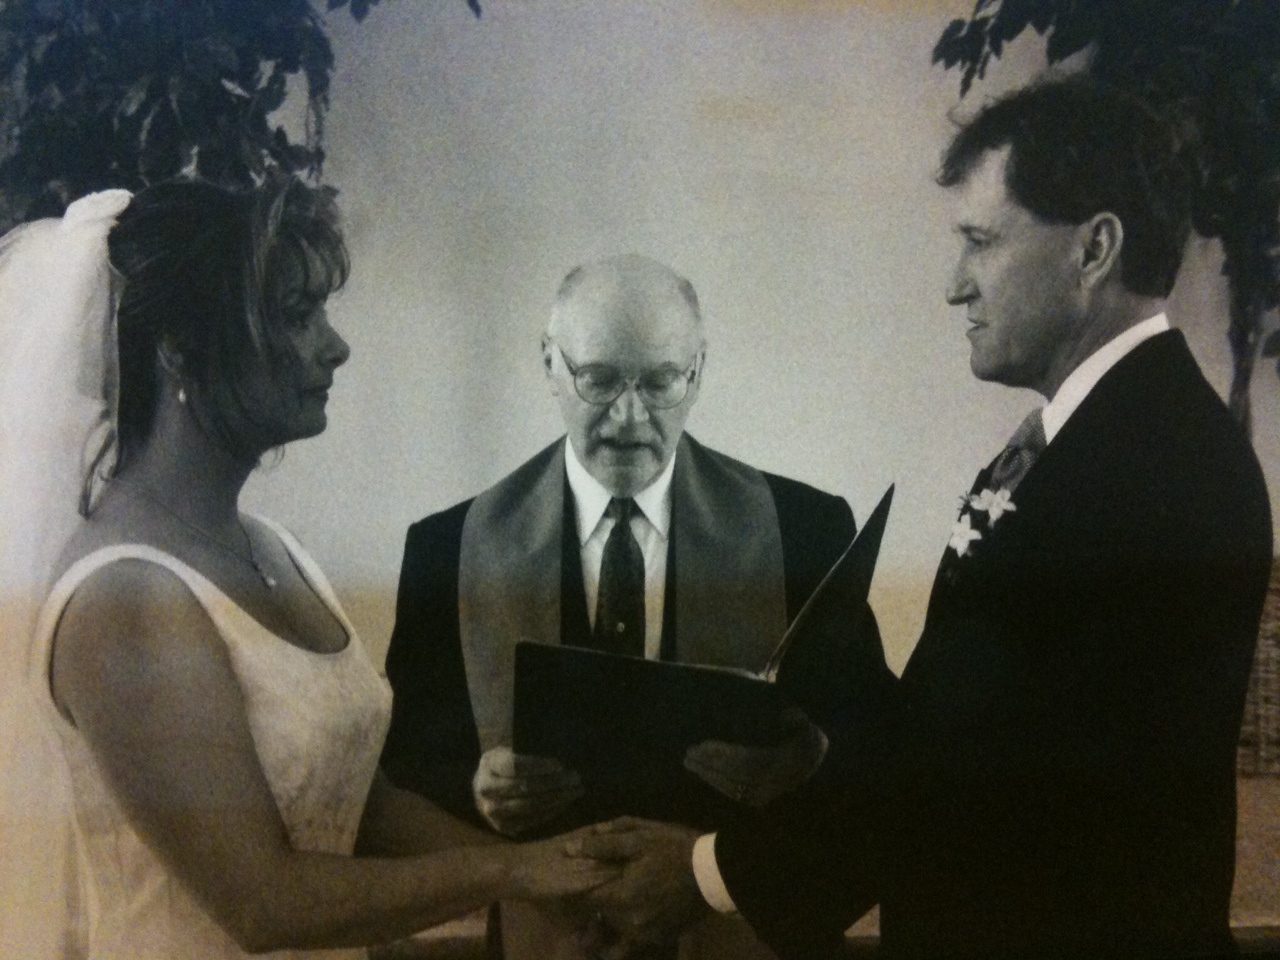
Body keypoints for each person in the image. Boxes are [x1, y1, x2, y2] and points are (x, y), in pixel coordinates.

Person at [575, 80, 1274, 960]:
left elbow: (966, 781)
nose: (955, 285)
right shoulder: (1127, 435)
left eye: (981, 241)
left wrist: (708, 872)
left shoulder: (1143, 467)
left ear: (1094, 249)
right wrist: (814, 755)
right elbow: (990, 731)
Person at [0, 177, 617, 960]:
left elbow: (359, 801)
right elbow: (264, 905)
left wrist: (562, 874)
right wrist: (512, 874)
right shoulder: (127, 596)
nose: (335, 345)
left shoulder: (272, 548)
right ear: (180, 350)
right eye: (296, 316)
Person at [379, 253, 896, 959]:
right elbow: (405, 766)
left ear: (698, 371)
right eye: (598, 380)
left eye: (659, 382)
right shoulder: (449, 549)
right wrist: (475, 785)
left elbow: (876, 753)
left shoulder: (805, 531)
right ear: (550, 364)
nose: (629, 418)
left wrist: (809, 756)